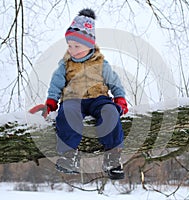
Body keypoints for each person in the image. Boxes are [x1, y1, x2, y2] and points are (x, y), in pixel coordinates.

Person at [45, 8, 128, 180]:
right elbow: (56, 83)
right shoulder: (65, 64)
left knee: (111, 112)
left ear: (89, 45)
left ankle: (112, 157)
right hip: (73, 99)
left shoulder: (101, 63)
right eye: (69, 45)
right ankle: (69, 155)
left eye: (77, 46)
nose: (72, 49)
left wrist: (120, 98)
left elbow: (114, 82)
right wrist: (51, 101)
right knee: (67, 112)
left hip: (99, 98)